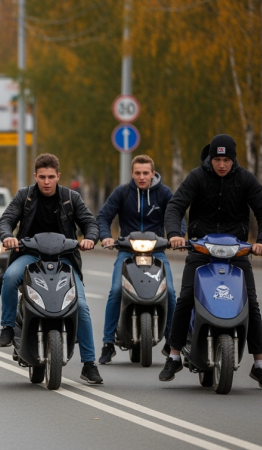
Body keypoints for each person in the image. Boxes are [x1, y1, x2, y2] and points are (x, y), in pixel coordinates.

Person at [159, 134, 262, 390]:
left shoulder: (245, 178)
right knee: (187, 297)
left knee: (251, 303)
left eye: (226, 160)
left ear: (233, 160)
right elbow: (176, 206)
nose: (221, 165)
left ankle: (259, 364)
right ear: (210, 159)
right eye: (217, 159)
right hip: (201, 249)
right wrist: (175, 235)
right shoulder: (197, 177)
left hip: (236, 252)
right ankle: (174, 355)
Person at [0, 153, 103, 384]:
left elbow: (89, 222)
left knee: (81, 305)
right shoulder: (25, 196)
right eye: (42, 177)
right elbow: (6, 220)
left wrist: (90, 238)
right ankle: (6, 327)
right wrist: (7, 237)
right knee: (11, 276)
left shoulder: (70, 198)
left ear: (58, 176)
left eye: (50, 177)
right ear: (35, 176)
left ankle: (89, 364)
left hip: (64, 259)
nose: (46, 181)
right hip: (30, 256)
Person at [96, 155, 180, 364]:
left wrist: (176, 236)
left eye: (146, 173)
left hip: (157, 252)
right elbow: (104, 216)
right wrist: (106, 236)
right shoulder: (122, 192)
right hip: (127, 251)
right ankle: (108, 343)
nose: (142, 177)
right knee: (116, 290)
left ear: (153, 173)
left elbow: (176, 216)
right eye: (137, 173)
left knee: (169, 292)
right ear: (132, 174)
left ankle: (172, 341)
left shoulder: (164, 193)